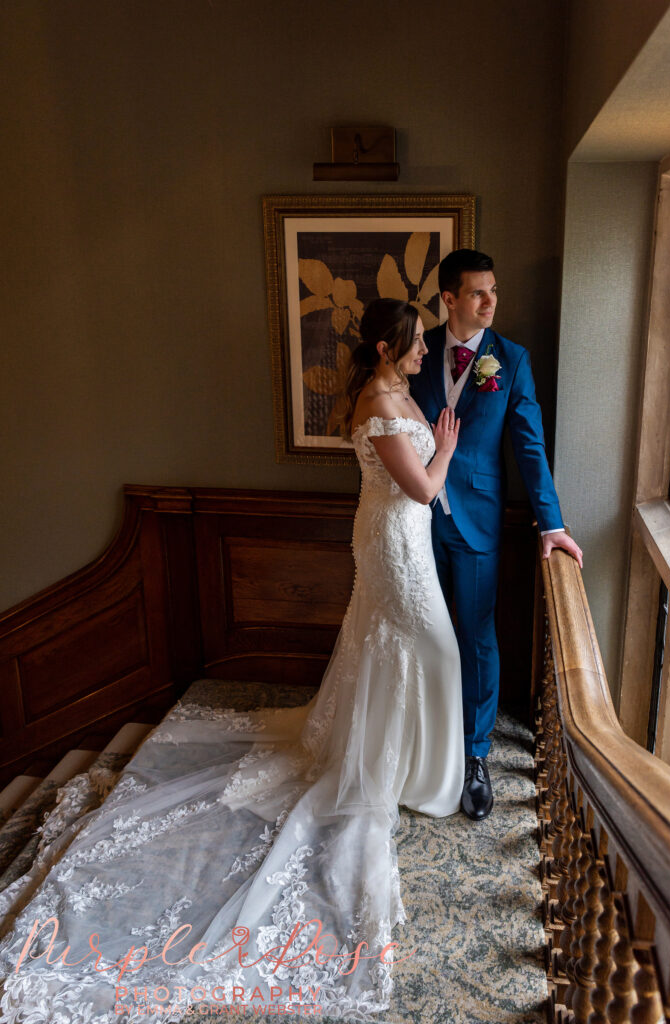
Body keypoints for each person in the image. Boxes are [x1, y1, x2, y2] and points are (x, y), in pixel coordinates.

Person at [0, 299, 463, 1023]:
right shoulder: (378, 403)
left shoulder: (394, 388)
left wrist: (431, 425)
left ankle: (407, 761)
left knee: (406, 649)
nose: (421, 351)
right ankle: (391, 767)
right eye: (412, 344)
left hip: (397, 540)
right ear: (383, 348)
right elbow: (425, 488)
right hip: (395, 541)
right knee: (422, 647)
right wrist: (446, 448)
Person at [410, 248, 583, 822]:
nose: (490, 303)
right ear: (449, 299)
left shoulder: (511, 360)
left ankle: (475, 755)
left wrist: (551, 524)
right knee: (420, 629)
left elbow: (529, 447)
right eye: (478, 293)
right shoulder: (418, 349)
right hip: (414, 518)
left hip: (480, 520)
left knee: (477, 635)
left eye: (494, 292)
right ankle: (425, 744)